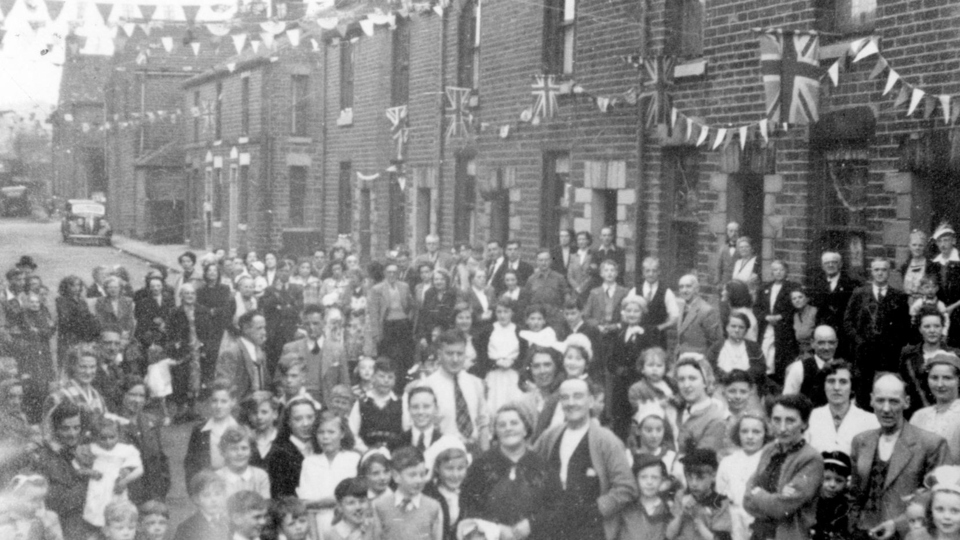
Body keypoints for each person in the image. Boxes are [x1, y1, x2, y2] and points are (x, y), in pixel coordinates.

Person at [531, 378, 638, 540]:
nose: (571, 403)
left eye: (578, 396)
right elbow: (528, 467)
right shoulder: (550, 436)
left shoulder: (606, 441)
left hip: (590, 531)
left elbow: (627, 488)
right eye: (565, 397)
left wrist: (597, 509)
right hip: (551, 530)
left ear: (591, 401)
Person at [849, 374, 951, 540]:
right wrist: (854, 523)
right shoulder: (861, 441)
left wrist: (897, 525)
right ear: (871, 401)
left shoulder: (931, 444)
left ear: (907, 402)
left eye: (894, 401)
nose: (886, 408)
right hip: (863, 532)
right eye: (880, 400)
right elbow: (854, 492)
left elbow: (937, 498)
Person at [461, 403, 550, 539]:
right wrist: (496, 529)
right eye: (502, 425)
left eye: (514, 423)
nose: (508, 428)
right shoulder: (481, 465)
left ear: (525, 429)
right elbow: (468, 505)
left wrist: (532, 523)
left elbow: (555, 506)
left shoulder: (541, 465)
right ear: (495, 432)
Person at [743, 394, 824, 540]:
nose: (782, 428)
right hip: (759, 534)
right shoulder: (769, 450)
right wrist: (770, 501)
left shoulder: (811, 459)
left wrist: (758, 495)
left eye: (790, 420)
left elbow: (781, 508)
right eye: (776, 420)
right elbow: (746, 500)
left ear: (804, 423)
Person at [844, 258, 911, 404]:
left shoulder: (899, 296)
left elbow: (905, 326)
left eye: (884, 270)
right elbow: (848, 322)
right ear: (871, 272)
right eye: (876, 270)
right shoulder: (859, 293)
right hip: (864, 352)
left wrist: (893, 343)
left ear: (889, 272)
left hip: (888, 354)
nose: (880, 273)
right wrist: (859, 341)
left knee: (886, 389)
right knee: (863, 391)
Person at [411, 329, 490, 452]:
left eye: (460, 354)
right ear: (439, 354)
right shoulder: (428, 386)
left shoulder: (476, 383)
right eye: (449, 353)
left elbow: (483, 423)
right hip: (443, 453)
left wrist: (486, 457)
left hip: (473, 450)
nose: (455, 359)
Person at [32, 402, 96, 540]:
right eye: (65, 428)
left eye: (76, 427)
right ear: (55, 429)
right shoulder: (45, 459)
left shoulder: (85, 450)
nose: (72, 434)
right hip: (65, 529)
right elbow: (56, 503)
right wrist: (92, 483)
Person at [609, 294, 660, 439]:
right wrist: (617, 369)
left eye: (636, 311)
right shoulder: (620, 333)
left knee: (639, 421)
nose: (631, 314)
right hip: (620, 386)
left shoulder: (649, 333)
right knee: (619, 422)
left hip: (638, 384)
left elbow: (651, 360)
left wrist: (631, 371)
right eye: (628, 311)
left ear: (642, 313)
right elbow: (611, 360)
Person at [803, 360, 879, 455]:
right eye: (831, 381)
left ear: (852, 387)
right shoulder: (810, 418)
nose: (836, 387)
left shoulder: (870, 421)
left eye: (843, 382)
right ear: (823, 385)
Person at [115, 375, 170, 505]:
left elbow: (161, 458)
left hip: (153, 495)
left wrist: (163, 488)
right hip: (126, 495)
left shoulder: (150, 421)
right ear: (122, 395)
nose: (137, 400)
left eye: (141, 396)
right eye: (132, 394)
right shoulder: (113, 423)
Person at [281, 304, 351, 406]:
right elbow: (280, 382)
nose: (311, 328)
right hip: (299, 404)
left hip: (327, 405)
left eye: (315, 323)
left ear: (324, 323)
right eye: (307, 324)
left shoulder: (337, 349)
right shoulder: (290, 348)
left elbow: (345, 384)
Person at [370, 446, 444, 540]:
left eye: (422, 474)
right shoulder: (380, 506)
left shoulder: (433, 507)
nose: (418, 480)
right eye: (412, 475)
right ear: (396, 476)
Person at [717, 411, 770, 540]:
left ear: (765, 434)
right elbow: (720, 495)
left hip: (760, 523)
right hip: (733, 521)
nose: (750, 436)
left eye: (756, 432)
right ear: (738, 433)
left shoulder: (769, 461)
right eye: (744, 431)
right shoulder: (727, 462)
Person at [84, 417, 144, 528]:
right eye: (103, 438)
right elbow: (78, 466)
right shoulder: (92, 448)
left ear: (118, 435)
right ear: (95, 437)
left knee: (117, 510)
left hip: (116, 484)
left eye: (112, 437)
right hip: (98, 484)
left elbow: (138, 468)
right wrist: (90, 472)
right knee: (97, 509)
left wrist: (125, 480)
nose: (108, 442)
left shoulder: (125, 449)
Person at [901, 309, 959, 416]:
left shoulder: (955, 354)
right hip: (916, 415)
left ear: (942, 328)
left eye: (937, 326)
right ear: (920, 329)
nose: (932, 330)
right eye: (927, 326)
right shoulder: (908, 355)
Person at [665, 448, 732, 540]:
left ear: (713, 476)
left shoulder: (719, 502)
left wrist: (699, 522)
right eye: (689, 477)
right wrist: (681, 514)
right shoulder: (681, 496)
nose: (694, 483)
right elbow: (669, 535)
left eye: (700, 478)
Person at [183, 378, 239, 485]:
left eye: (224, 401)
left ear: (233, 402)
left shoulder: (239, 430)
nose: (218, 406)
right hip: (208, 488)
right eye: (215, 401)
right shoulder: (200, 431)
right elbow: (191, 465)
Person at [43, 344, 109, 431]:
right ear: (72, 366)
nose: (88, 372)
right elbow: (48, 431)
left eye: (92, 367)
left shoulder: (97, 396)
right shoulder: (59, 396)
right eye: (83, 367)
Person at [910, 351, 960, 463]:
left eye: (947, 378)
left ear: (958, 380)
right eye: (934, 378)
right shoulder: (919, 416)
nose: (940, 384)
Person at [675, 354, 728, 455]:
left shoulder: (716, 417)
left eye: (692, 378)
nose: (686, 385)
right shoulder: (674, 408)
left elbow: (703, 459)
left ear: (705, 382)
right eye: (681, 379)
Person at [756, 260, 800, 382]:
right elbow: (757, 307)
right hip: (767, 326)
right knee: (765, 351)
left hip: (783, 327)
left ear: (786, 271)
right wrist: (765, 317)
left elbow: (796, 306)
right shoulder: (765, 287)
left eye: (781, 269)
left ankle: (778, 381)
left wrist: (781, 317)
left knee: (780, 355)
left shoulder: (792, 287)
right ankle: (766, 378)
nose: (778, 272)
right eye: (775, 270)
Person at [806, 251, 860, 349]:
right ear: (822, 266)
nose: (830, 265)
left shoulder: (850, 284)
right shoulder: (817, 283)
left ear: (840, 264)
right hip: (823, 330)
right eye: (827, 263)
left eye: (834, 262)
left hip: (843, 332)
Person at [366, 261, 415, 369]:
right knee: (389, 355)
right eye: (389, 272)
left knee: (404, 355)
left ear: (398, 273)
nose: (392, 275)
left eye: (394, 272)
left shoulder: (404, 286)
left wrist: (409, 317)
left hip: (403, 324)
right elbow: (374, 313)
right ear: (384, 273)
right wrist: (376, 334)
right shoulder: (377, 289)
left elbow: (411, 305)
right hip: (387, 325)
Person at [266, 397, 318, 498]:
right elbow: (280, 496)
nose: (305, 424)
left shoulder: (320, 447)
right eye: (298, 419)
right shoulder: (279, 453)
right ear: (288, 422)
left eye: (310, 417)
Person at [349, 358, 403, 452]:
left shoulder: (401, 403)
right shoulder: (362, 403)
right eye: (381, 376)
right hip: (366, 454)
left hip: (395, 456)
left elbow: (406, 432)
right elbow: (352, 433)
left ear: (395, 380)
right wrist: (367, 451)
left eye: (390, 377)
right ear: (373, 377)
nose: (386, 381)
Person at [259, 259, 303, 375]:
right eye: (282, 271)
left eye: (287, 271)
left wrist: (280, 306)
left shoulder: (297, 289)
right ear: (277, 272)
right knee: (274, 364)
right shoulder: (269, 290)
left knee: (291, 362)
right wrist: (277, 292)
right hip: (274, 334)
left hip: (290, 332)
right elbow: (266, 309)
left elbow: (297, 310)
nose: (285, 273)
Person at [782, 325, 842, 405]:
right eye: (821, 343)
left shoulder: (843, 369)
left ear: (836, 343)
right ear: (812, 343)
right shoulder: (799, 368)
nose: (827, 348)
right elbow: (787, 402)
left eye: (831, 343)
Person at [423, 441, 470, 540]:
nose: (455, 475)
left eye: (460, 468)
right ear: (437, 468)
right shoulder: (428, 494)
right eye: (449, 468)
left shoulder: (468, 493)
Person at [707, 312, 766, 389]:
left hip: (748, 386)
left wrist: (742, 377)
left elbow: (760, 368)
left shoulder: (754, 347)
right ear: (727, 327)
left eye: (741, 327)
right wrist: (727, 377)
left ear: (746, 330)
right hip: (722, 387)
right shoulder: (716, 348)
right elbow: (710, 368)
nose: (737, 330)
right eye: (733, 326)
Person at [216, 311, 268, 399]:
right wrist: (251, 398)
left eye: (264, 328)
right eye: (259, 328)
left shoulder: (259, 351)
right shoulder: (231, 353)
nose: (264, 332)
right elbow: (226, 390)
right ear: (246, 329)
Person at [632, 257, 681, 348]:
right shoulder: (635, 291)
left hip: (658, 339)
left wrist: (659, 328)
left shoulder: (666, 292)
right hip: (637, 336)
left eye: (654, 271)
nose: (651, 274)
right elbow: (625, 313)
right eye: (647, 271)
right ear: (643, 272)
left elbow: (674, 318)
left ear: (659, 272)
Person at [172, 469, 228, 540]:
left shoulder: (230, 522)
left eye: (217, 494)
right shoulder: (186, 527)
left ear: (224, 495)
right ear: (196, 499)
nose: (214, 500)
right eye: (206, 495)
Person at [216, 426, 270, 498]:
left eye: (244, 448)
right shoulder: (217, 477)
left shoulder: (260, 476)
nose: (239, 453)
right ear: (224, 452)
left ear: (251, 451)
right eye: (234, 449)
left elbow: (264, 506)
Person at [55, 275, 100, 361]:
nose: (76, 288)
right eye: (72, 285)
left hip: (82, 335)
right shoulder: (61, 300)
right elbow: (66, 319)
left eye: (78, 285)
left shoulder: (82, 301)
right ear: (66, 287)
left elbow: (88, 315)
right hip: (68, 336)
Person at [677, 274, 723, 355]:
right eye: (681, 287)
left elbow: (717, 342)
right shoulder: (681, 307)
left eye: (688, 286)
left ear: (697, 289)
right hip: (682, 359)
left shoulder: (706, 310)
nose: (684, 290)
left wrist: (704, 361)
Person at [811, 451, 853, 540]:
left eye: (839, 480)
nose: (832, 485)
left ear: (846, 483)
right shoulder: (809, 503)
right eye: (827, 478)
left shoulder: (845, 509)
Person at [931, 223, 960, 347]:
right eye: (939, 241)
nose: (943, 244)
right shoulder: (934, 264)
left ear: (953, 241)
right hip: (940, 311)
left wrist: (953, 306)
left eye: (946, 240)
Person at [523, 247, 569, 317]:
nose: (543, 263)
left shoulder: (559, 278)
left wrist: (562, 313)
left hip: (555, 316)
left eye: (546, 260)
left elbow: (566, 298)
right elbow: (527, 300)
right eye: (541, 260)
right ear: (537, 261)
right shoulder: (531, 279)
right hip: (537, 317)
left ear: (550, 261)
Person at [417, 268, 460, 343]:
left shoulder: (453, 293)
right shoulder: (429, 293)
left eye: (442, 279)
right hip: (431, 333)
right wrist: (423, 336)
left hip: (449, 332)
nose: (439, 282)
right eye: (436, 279)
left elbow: (456, 315)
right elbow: (423, 316)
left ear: (447, 280)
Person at [93, 275, 136, 340]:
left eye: (116, 287)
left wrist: (127, 332)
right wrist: (120, 331)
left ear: (120, 288)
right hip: (109, 331)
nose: (113, 290)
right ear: (106, 289)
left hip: (125, 332)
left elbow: (130, 319)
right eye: (110, 287)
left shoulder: (128, 301)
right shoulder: (101, 301)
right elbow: (101, 321)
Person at [567, 231, 596, 303]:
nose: (581, 241)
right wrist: (576, 287)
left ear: (588, 241)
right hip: (575, 291)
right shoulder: (572, 256)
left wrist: (582, 287)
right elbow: (569, 275)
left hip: (588, 290)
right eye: (579, 239)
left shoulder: (592, 255)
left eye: (584, 239)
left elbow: (591, 274)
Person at [790, 287, 818, 355]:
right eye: (794, 298)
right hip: (801, 353)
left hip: (815, 352)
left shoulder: (815, 312)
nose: (797, 300)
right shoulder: (795, 316)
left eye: (800, 297)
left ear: (807, 298)